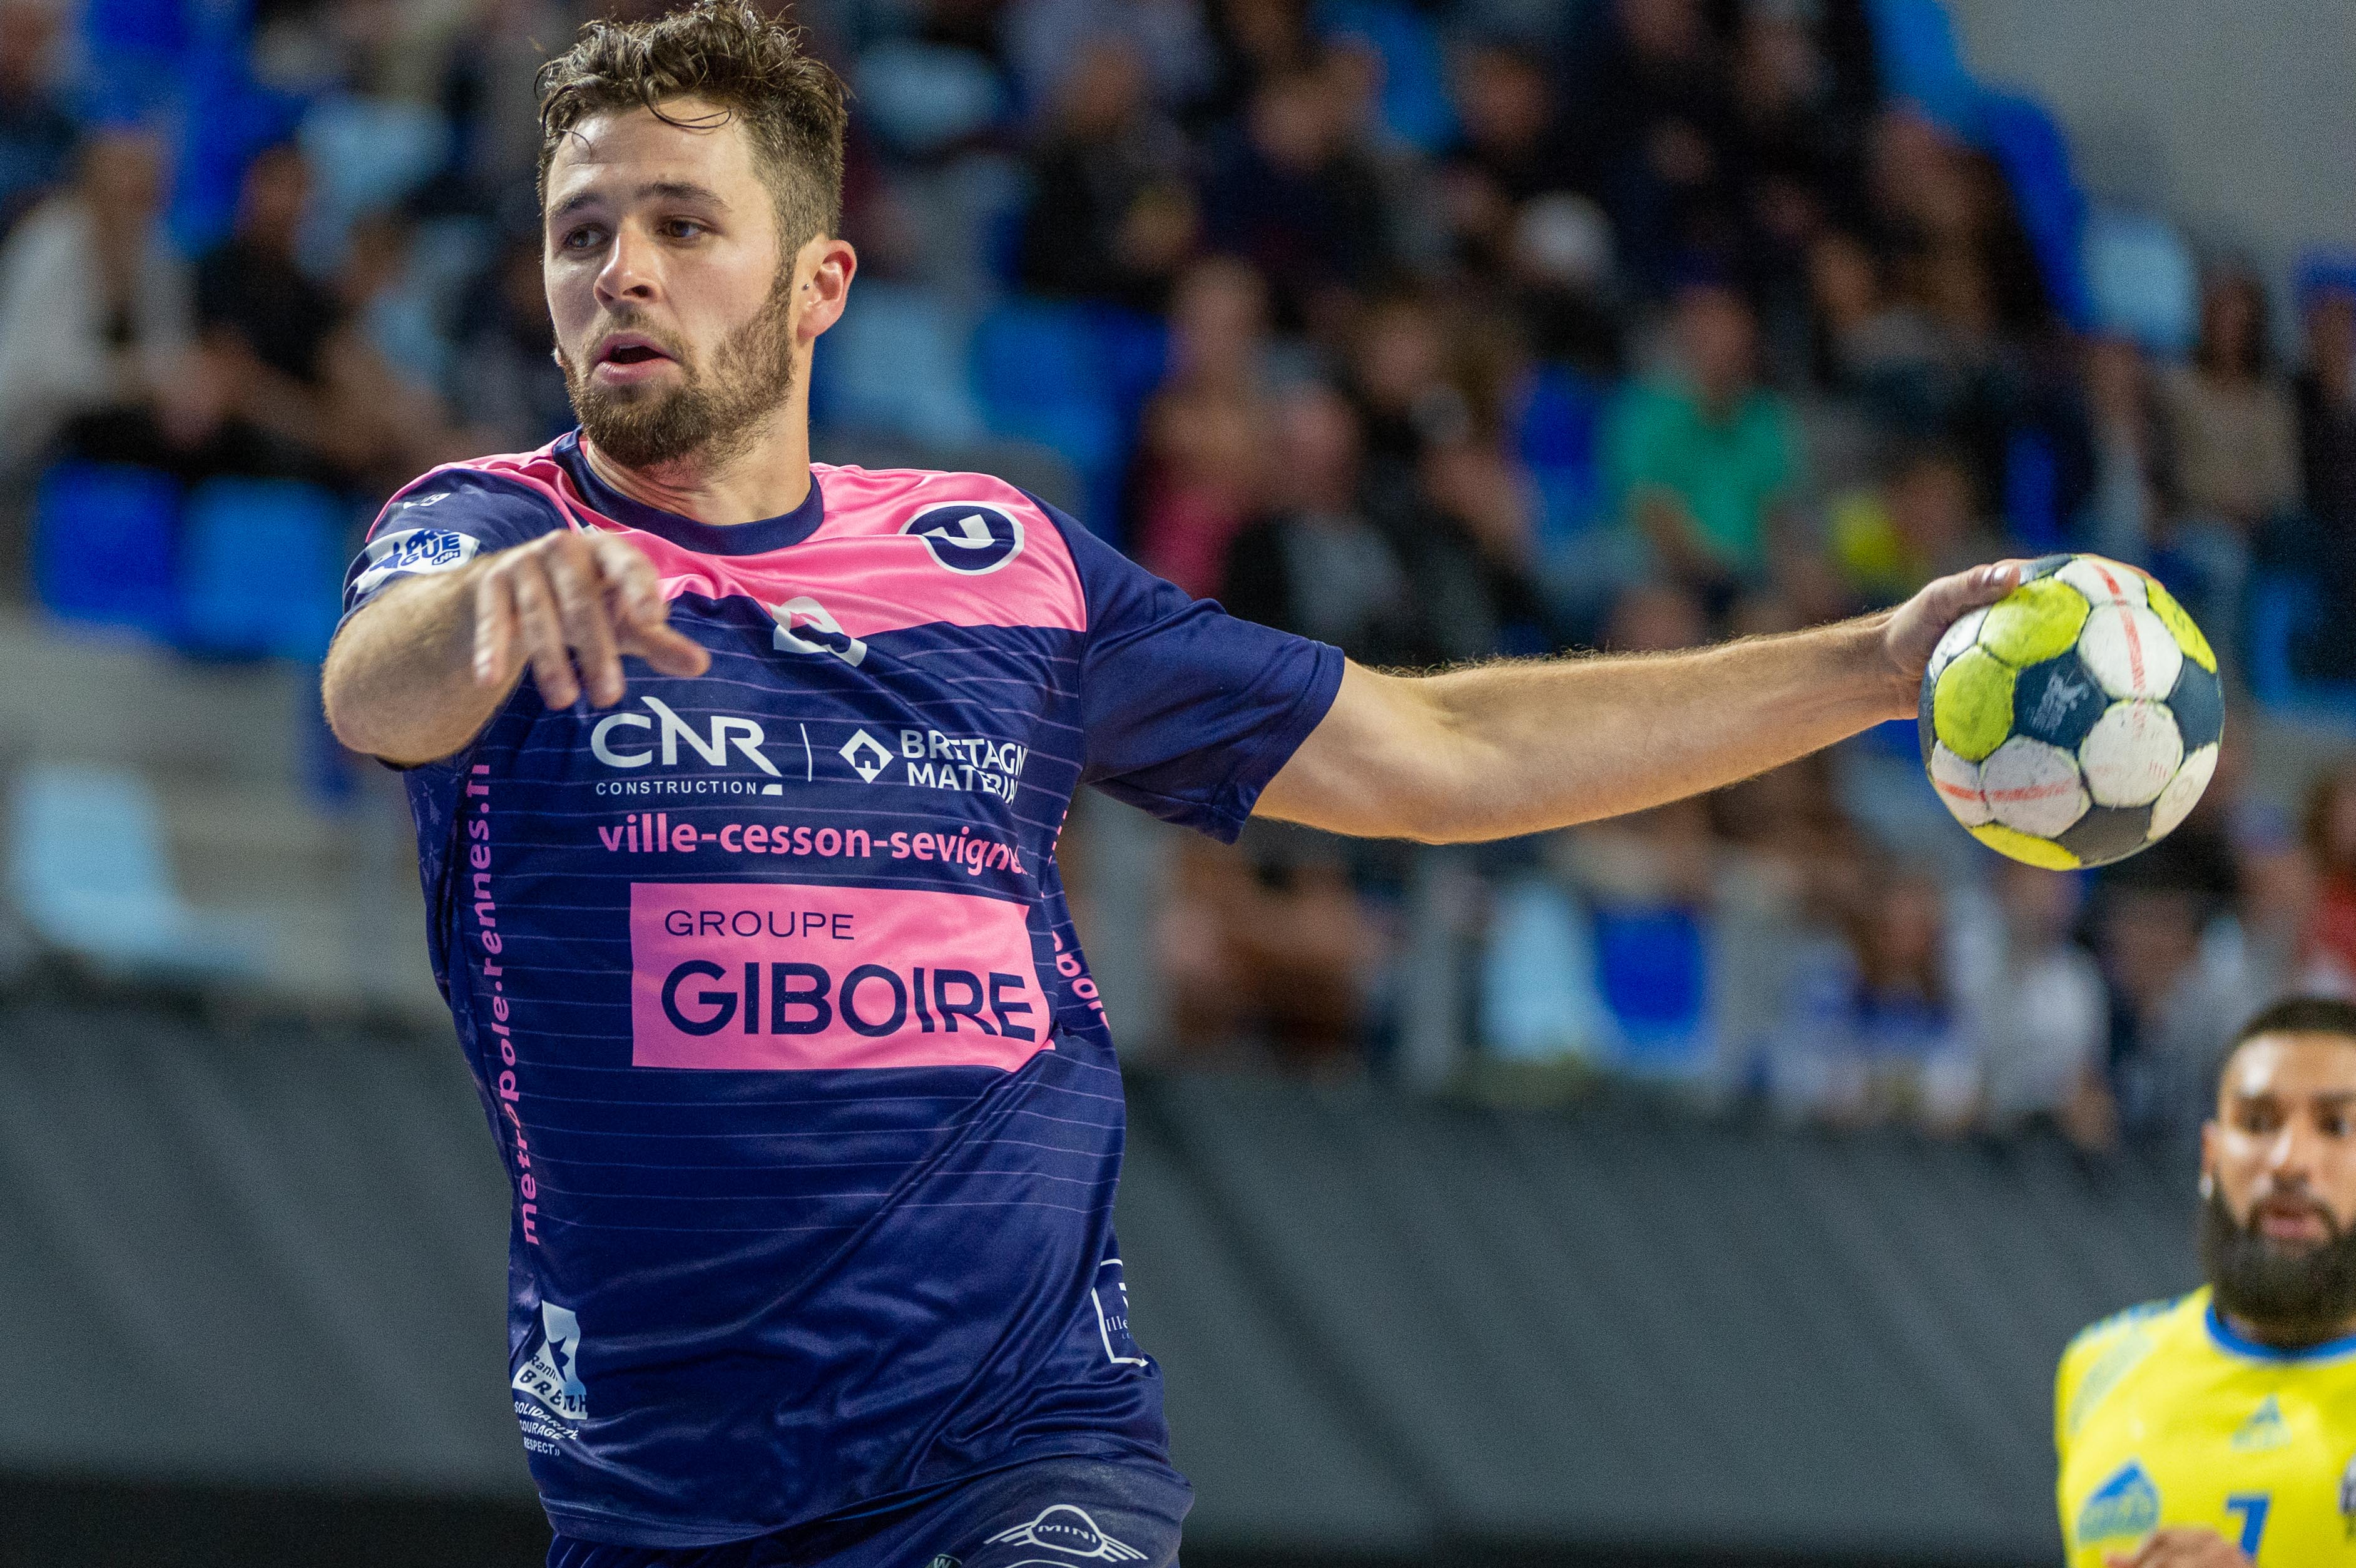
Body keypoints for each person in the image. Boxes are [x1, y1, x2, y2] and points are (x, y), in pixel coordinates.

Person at [318, 6, 2019, 1564]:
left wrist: (1867, 670)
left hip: (1014, 1455)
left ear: (818, 284)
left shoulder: (996, 560)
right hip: (663, 1492)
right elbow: (371, 690)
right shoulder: (493, 532)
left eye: (683, 226)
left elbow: (1438, 755)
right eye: (580, 233)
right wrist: (485, 616)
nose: (621, 271)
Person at [2054, 996, 2356, 1568]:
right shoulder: (2101, 1364)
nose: (2288, 1161)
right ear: (2210, 1157)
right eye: (2257, 1123)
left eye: (2335, 1126)